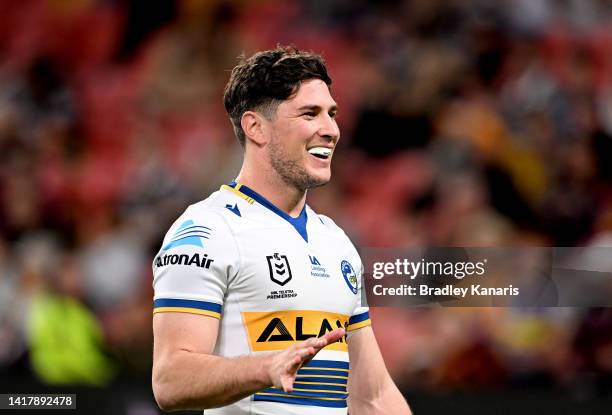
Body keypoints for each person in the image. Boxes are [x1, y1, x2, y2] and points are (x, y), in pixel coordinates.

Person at [151, 46, 412, 415]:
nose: (331, 130)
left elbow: (372, 395)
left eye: (332, 114)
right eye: (310, 114)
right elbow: (170, 380)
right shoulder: (207, 231)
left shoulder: (336, 242)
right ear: (256, 127)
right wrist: (265, 367)